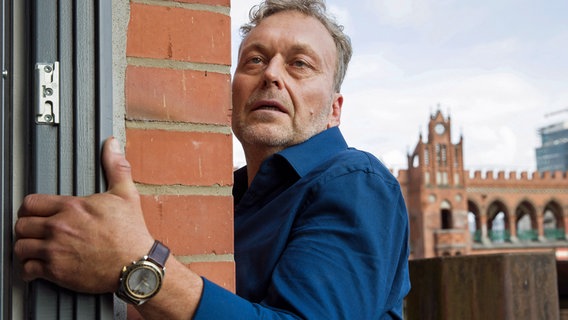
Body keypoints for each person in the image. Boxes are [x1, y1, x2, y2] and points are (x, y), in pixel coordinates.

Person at [14, 0, 410, 319]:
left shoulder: (356, 182)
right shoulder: (229, 198)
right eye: (254, 60)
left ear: (334, 110)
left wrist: (136, 265)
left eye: (299, 64)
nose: (271, 74)